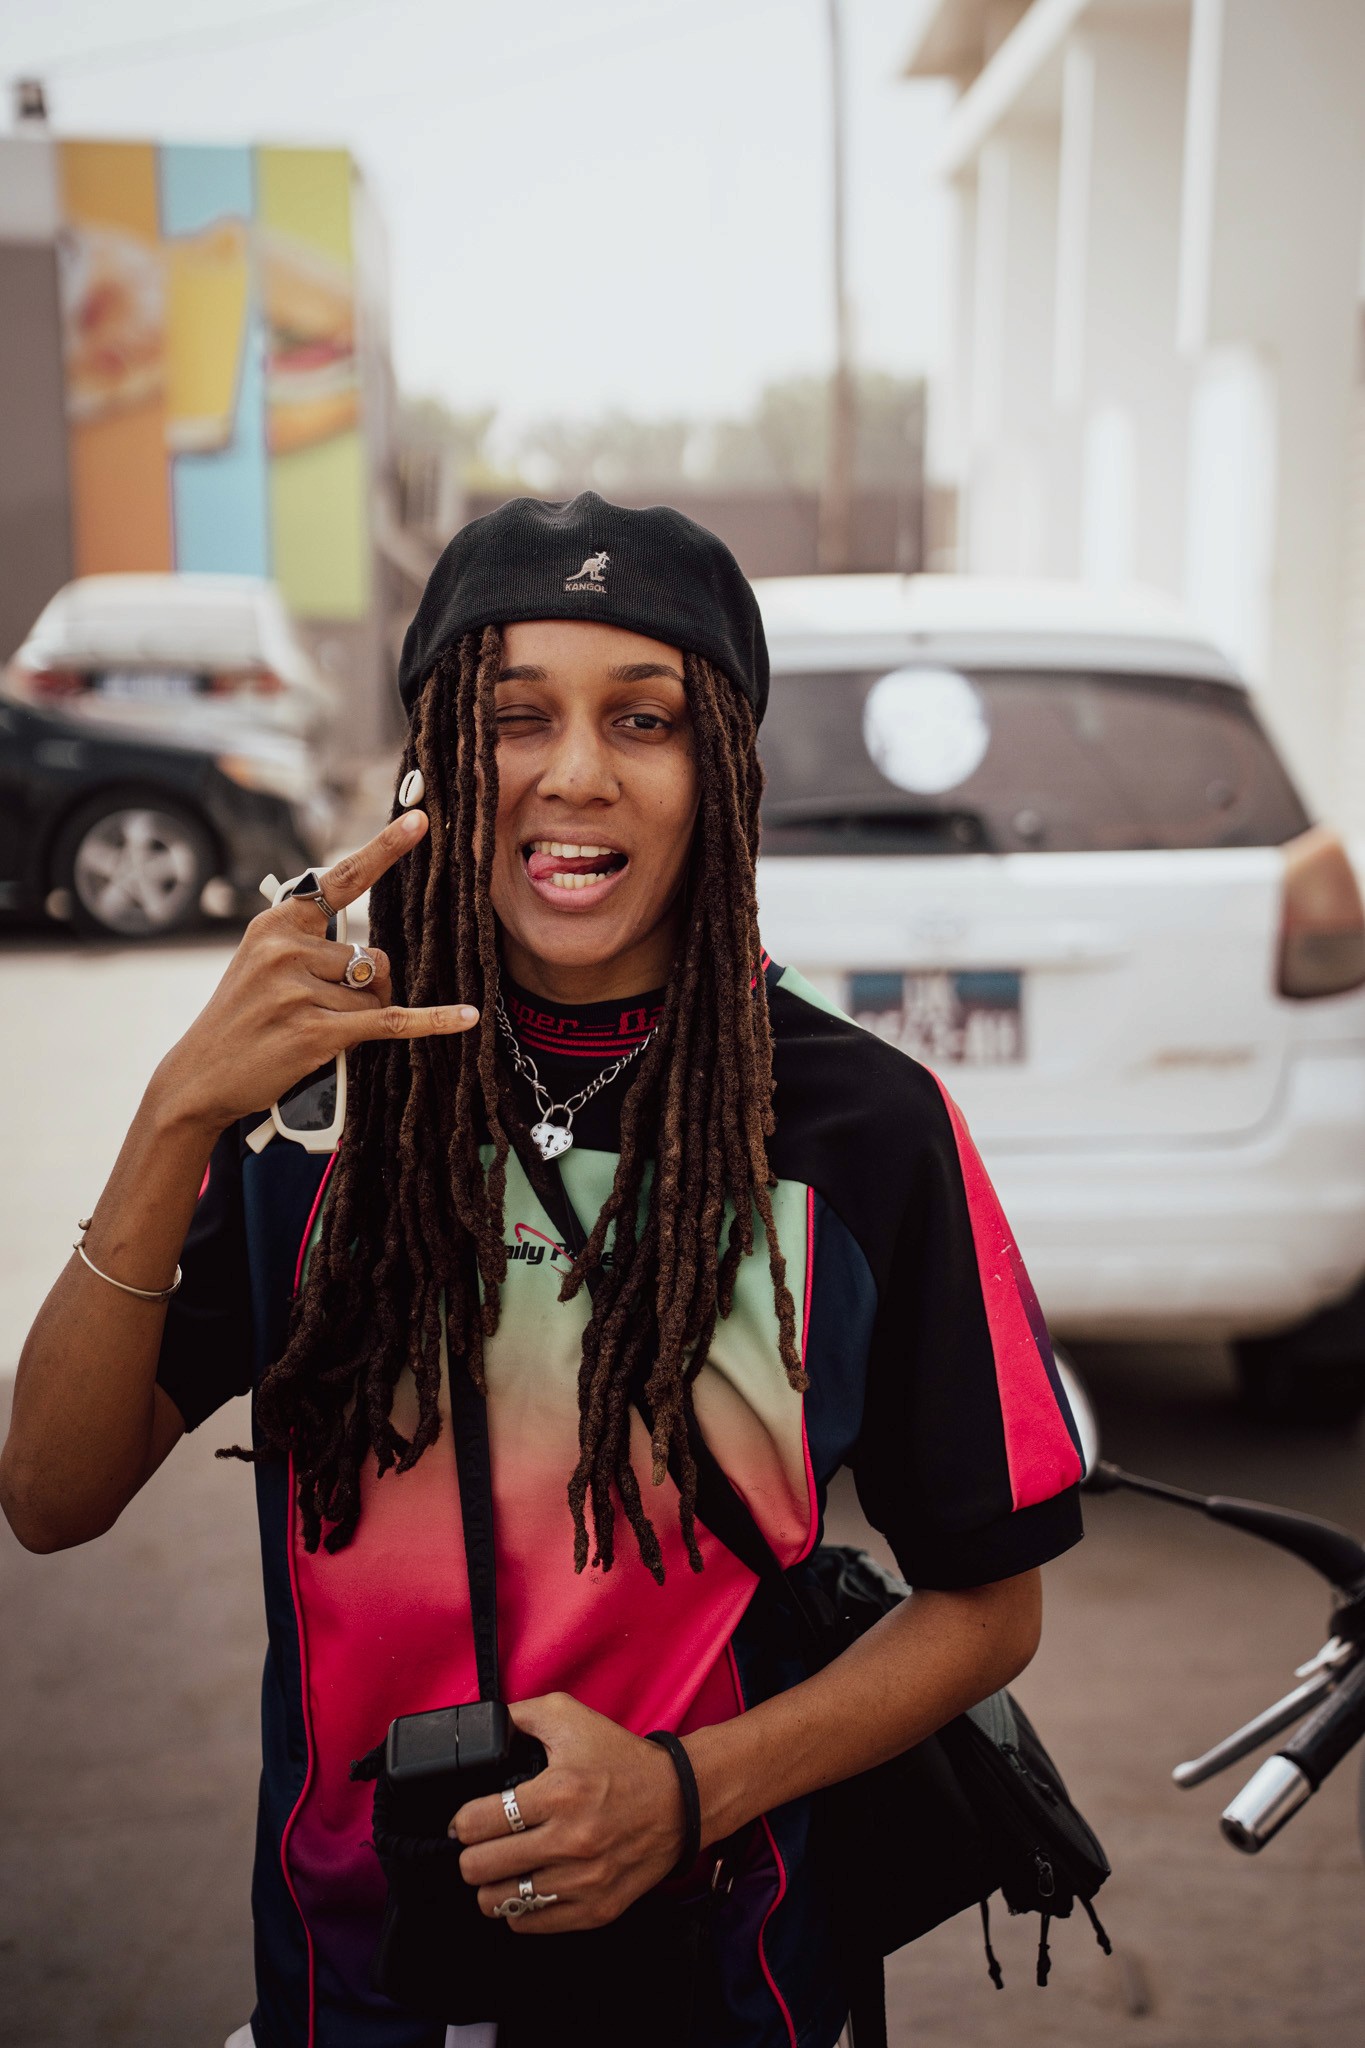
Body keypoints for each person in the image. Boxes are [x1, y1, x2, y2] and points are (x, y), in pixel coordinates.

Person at [2, 494, 1084, 2048]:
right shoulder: (318, 1107)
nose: (575, 772)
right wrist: (179, 1106)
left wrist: (685, 1792)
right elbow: (49, 1494)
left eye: (643, 719)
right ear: (437, 761)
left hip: (719, 1988)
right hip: (340, 1990)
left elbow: (987, 1609)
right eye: (514, 718)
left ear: (720, 771)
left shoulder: (862, 1131)